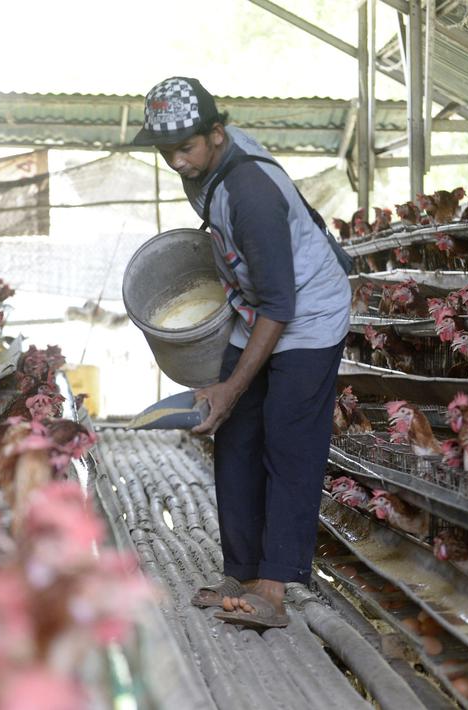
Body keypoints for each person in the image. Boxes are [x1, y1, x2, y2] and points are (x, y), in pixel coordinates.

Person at [132, 77, 352, 629]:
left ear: (218, 133)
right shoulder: (205, 166)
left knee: (287, 437)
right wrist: (229, 396)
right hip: (257, 305)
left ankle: (273, 589)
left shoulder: (249, 191)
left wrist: (230, 388)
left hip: (307, 314)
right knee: (235, 435)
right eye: (167, 152)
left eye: (186, 148)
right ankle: (239, 572)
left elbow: (282, 304)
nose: (177, 162)